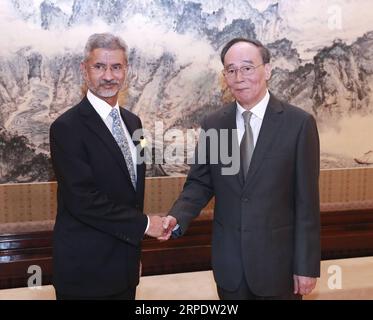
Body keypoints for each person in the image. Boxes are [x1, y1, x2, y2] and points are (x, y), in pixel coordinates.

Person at [163, 38, 321, 300]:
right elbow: (201, 183)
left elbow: (307, 204)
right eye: (231, 70)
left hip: (279, 270)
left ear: (267, 70)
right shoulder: (215, 124)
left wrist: (305, 266)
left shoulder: (298, 124)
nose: (239, 77)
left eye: (247, 68)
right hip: (230, 268)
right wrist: (176, 217)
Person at [49, 33, 167, 300]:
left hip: (124, 268)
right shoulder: (66, 128)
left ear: (126, 70)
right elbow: (83, 201)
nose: (108, 76)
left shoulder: (133, 123)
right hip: (85, 273)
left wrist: (133, 253)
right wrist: (146, 224)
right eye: (99, 66)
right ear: (84, 70)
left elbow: (132, 193)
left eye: (116, 67)